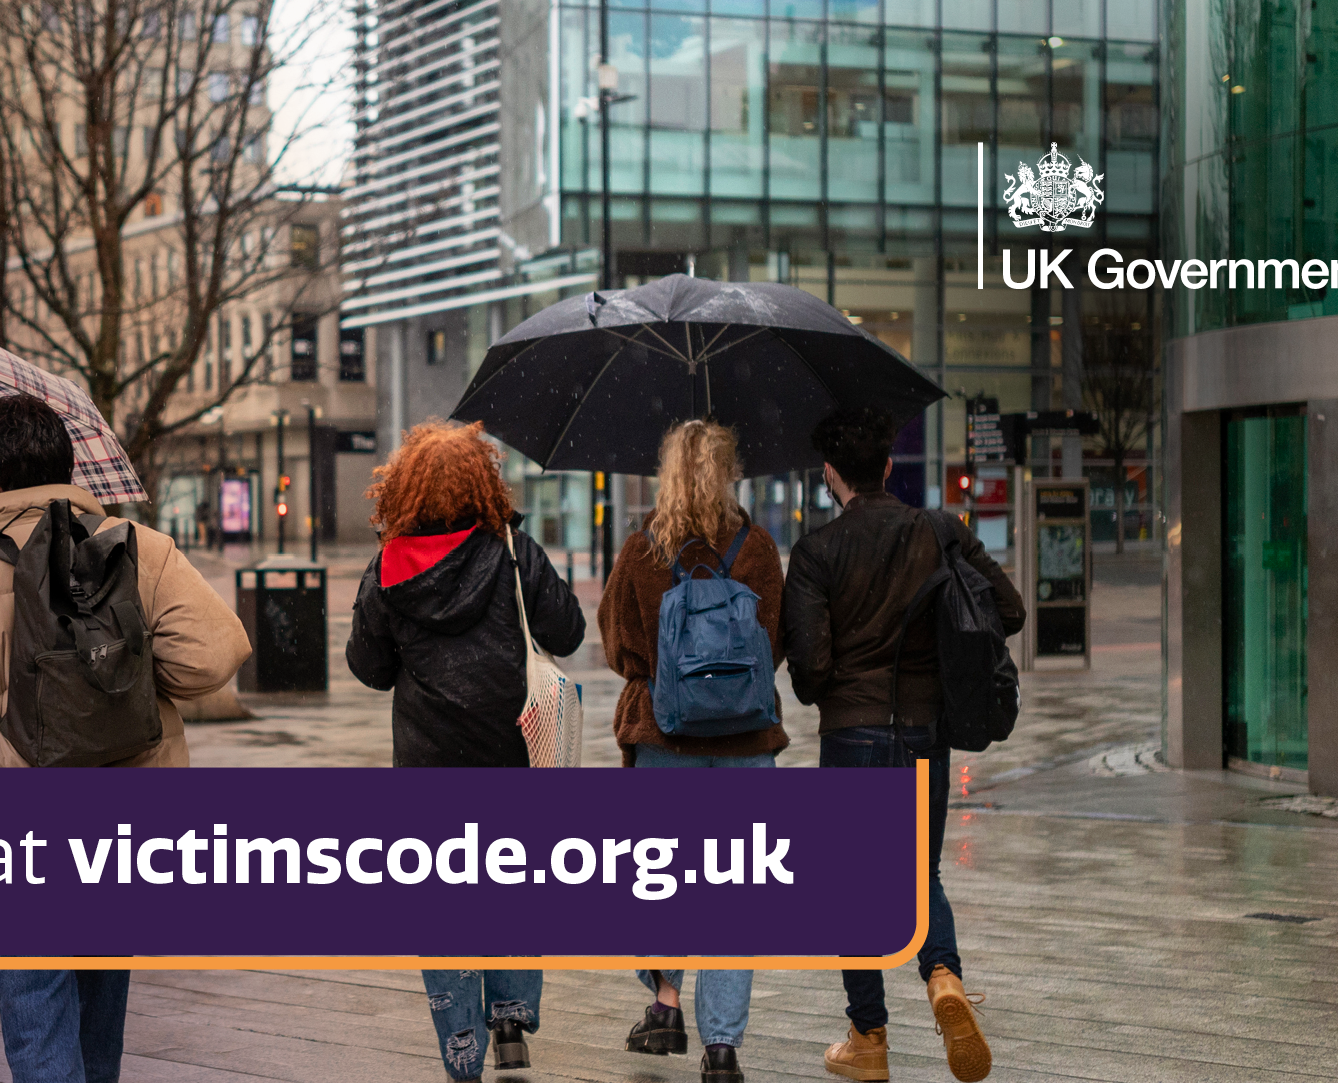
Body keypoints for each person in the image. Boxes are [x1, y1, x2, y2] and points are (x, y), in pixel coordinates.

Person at [0, 393, 248, 1083]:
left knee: (35, 1007)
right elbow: (215, 653)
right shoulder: (136, 546)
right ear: (70, 461)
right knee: (100, 1006)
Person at [783, 408, 1022, 1083]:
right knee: (922, 872)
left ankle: (869, 1037)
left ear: (831, 474)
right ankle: (942, 974)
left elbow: (809, 672)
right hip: (924, 731)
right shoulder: (939, 531)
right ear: (889, 466)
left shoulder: (816, 552)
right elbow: (1009, 611)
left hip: (852, 734)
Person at [345, 419, 582, 1082]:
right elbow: (567, 627)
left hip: (428, 766)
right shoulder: (511, 550)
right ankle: (509, 1015)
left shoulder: (390, 564)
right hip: (512, 750)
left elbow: (367, 665)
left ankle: (460, 1043)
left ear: (405, 488)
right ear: (485, 481)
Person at [597, 419, 784, 1083]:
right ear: (727, 471)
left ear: (667, 471)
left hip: (664, 739)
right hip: (746, 743)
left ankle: (665, 1002)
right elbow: (774, 642)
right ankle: (723, 1046)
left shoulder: (643, 549)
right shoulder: (756, 547)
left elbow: (618, 645)